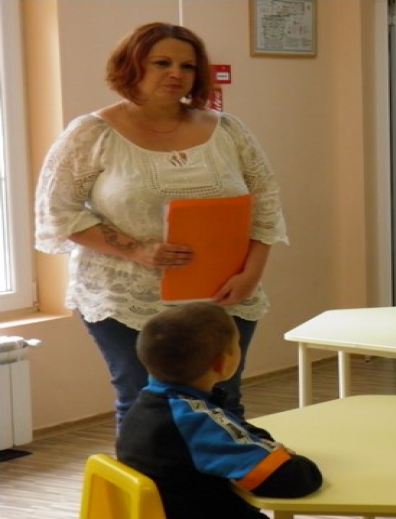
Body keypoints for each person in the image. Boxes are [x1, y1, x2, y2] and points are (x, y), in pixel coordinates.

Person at [34, 22, 287, 427]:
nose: (176, 74)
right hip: (126, 298)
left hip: (224, 293)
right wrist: (136, 249)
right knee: (144, 401)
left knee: (223, 398)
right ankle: (150, 473)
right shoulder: (91, 133)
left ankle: (221, 470)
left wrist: (251, 275)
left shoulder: (229, 130)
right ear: (131, 65)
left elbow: (266, 205)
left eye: (187, 66)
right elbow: (58, 213)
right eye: (162, 63)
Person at [117, 302, 322, 519]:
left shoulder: (146, 406)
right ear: (222, 364)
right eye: (237, 344)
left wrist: (262, 443)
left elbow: (233, 427)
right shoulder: (194, 420)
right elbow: (291, 480)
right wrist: (292, 460)